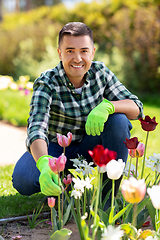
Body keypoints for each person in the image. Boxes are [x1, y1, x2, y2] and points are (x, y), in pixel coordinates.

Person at [12, 22, 143, 209]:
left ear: (92, 52)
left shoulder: (101, 73)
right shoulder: (47, 82)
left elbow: (136, 107)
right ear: (59, 53)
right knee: (23, 179)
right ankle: (66, 184)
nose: (77, 58)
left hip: (90, 148)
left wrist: (108, 106)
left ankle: (108, 200)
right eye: (70, 51)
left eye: (83, 50)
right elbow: (36, 126)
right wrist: (42, 163)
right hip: (56, 150)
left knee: (118, 119)